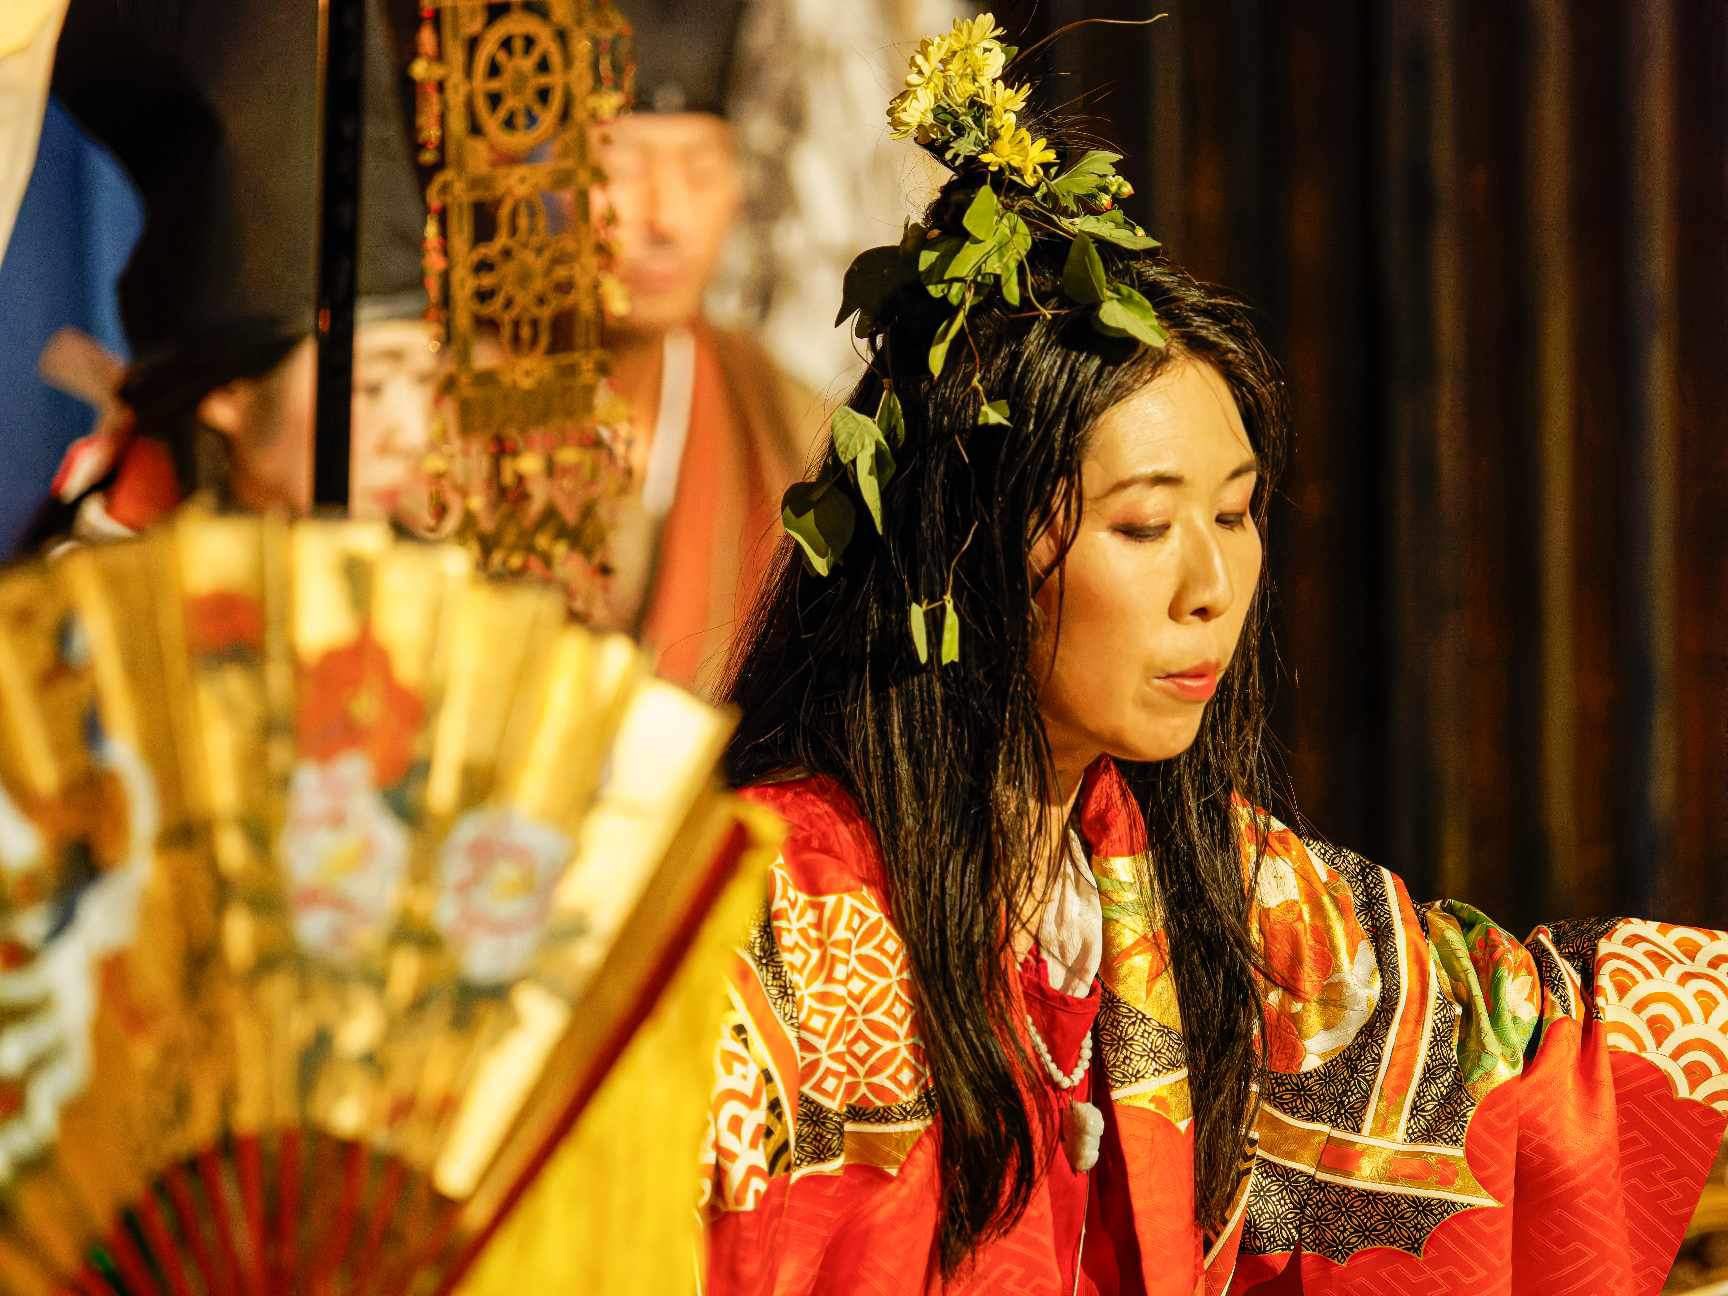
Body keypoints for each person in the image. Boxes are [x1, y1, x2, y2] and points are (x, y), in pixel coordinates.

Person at [701, 15, 1728, 1294]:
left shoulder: (1199, 884)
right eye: (1143, 527)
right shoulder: (778, 924)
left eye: (1235, 516)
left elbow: (1519, 1059)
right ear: (962, 550)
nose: (1212, 589)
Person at [22, 0, 439, 548]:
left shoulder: (438, 581)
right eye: (371, 387)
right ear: (228, 396)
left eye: (427, 382)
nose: (412, 436)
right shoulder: (104, 587)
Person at [591, 0, 820, 690]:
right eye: (621, 168)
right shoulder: (460, 413)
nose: (665, 219)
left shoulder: (787, 418)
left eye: (699, 170)